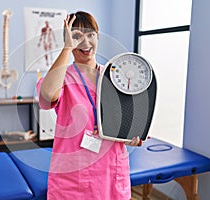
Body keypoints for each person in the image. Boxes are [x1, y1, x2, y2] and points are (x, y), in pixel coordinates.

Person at [36, 11, 140, 200]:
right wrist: (67, 49)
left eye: (91, 35)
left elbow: (124, 122)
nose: (85, 43)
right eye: (77, 36)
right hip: (73, 177)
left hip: (111, 173)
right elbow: (48, 94)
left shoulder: (116, 77)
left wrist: (131, 137)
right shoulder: (62, 77)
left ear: (98, 36)